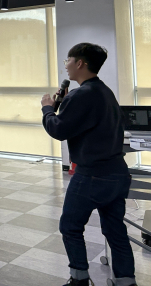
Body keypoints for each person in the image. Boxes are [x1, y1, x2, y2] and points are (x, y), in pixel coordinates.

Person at [41, 43, 136, 286]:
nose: (66, 66)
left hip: (92, 175)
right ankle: (126, 281)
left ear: (80, 63)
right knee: (115, 230)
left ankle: (79, 279)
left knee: (70, 226)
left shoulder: (81, 95)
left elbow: (58, 130)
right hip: (117, 174)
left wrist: (48, 109)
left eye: (68, 60)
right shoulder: (104, 92)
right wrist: (64, 104)